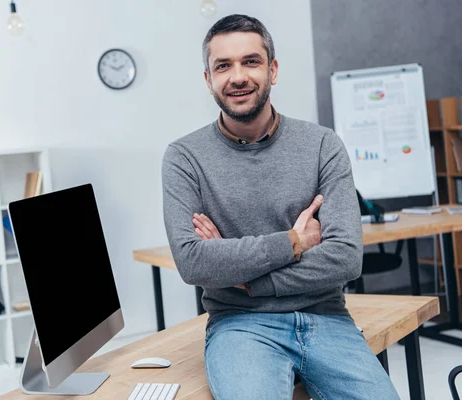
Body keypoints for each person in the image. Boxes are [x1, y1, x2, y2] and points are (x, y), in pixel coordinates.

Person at [161, 13, 401, 400]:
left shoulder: (323, 145)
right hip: (239, 325)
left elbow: (345, 258)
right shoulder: (184, 158)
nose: (237, 76)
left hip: (327, 318)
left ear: (272, 70)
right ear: (209, 80)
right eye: (223, 66)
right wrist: (295, 240)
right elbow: (193, 262)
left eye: (250, 61)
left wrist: (248, 280)